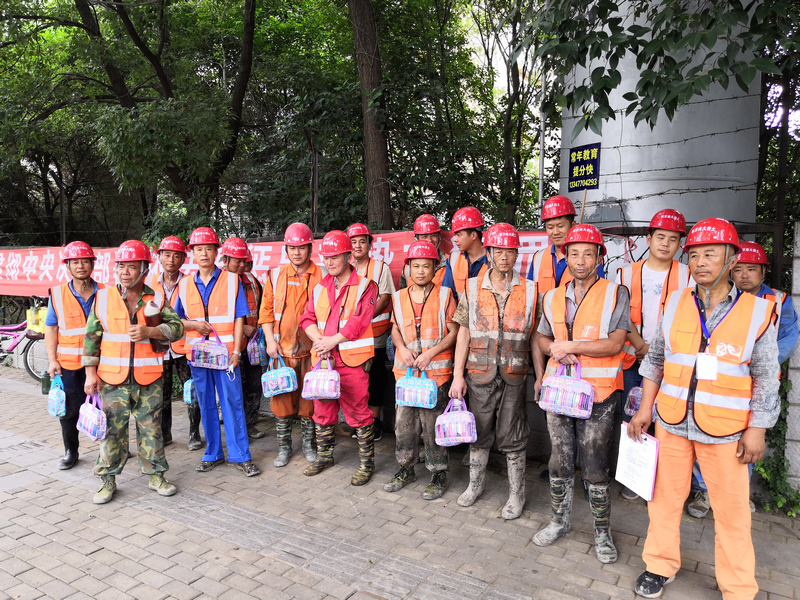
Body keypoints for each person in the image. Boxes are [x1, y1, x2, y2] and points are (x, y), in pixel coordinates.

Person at [628, 218, 779, 600]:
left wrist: (757, 429)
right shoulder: (676, 302)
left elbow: (766, 378)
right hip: (672, 422)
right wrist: (645, 409)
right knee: (663, 502)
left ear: (731, 259)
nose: (700, 263)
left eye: (710, 254)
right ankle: (659, 565)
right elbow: (655, 361)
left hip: (726, 431)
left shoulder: (757, 313)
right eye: (694, 255)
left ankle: (738, 588)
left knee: (732, 513)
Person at [534, 223, 629, 564]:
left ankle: (602, 532)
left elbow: (616, 343)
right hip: (560, 392)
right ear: (566, 256)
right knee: (559, 459)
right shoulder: (552, 296)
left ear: (599, 257)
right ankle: (559, 522)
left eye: (588, 253)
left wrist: (570, 346)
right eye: (574, 253)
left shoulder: (616, 293)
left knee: (595, 465)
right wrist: (554, 350)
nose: (580, 260)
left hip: (599, 394)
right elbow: (542, 337)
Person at [686, 239, 798, 519]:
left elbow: (788, 339)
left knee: (746, 440)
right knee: (703, 431)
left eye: (752, 269)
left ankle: (738, 493)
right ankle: (703, 490)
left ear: (764, 271)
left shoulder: (778, 301)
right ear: (730, 268)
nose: (744, 275)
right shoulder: (715, 297)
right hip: (713, 382)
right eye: (739, 269)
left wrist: (754, 363)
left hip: (755, 384)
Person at [83, 240, 184, 504]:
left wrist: (151, 331)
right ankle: (107, 480)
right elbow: (91, 339)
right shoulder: (103, 298)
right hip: (111, 379)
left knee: (151, 428)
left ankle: (156, 476)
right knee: (112, 430)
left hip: (149, 378)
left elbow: (177, 328)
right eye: (121, 266)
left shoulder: (157, 298)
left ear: (144, 270)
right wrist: (90, 375)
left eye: (131, 266)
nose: (125, 272)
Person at [449, 223, 538, 520]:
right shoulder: (472, 287)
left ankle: (516, 493)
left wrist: (541, 376)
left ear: (517, 254)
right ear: (488, 253)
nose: (504, 256)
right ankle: (475, 486)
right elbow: (463, 332)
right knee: (479, 431)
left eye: (510, 251)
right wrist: (457, 375)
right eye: (498, 251)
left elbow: (535, 336)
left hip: (514, 373)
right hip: (479, 372)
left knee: (514, 434)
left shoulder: (530, 290)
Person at [615, 209, 690, 500]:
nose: (665, 244)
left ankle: (663, 480)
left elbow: (688, 318)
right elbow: (621, 314)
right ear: (649, 239)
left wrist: (655, 352)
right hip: (633, 358)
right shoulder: (626, 272)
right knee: (634, 413)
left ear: (680, 244)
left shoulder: (687, 275)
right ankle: (636, 478)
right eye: (660, 237)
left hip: (671, 361)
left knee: (669, 418)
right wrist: (642, 347)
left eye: (673, 239)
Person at [174, 227, 261, 477]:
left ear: (216, 252)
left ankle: (241, 455)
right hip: (199, 356)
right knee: (206, 404)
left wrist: (237, 352)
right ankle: (212, 453)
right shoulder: (184, 284)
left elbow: (239, 318)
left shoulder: (232, 281)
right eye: (199, 249)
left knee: (233, 403)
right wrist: (193, 325)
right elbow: (176, 320)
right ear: (192, 253)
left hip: (226, 355)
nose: (204, 253)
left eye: (209, 249)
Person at [299, 230, 378, 485]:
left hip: (352, 361)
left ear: (348, 257)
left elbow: (359, 322)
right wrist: (318, 340)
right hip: (323, 361)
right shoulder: (320, 287)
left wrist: (330, 341)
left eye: (335, 257)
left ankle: (366, 464)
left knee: (359, 413)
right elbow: (307, 318)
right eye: (326, 257)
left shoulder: (366, 286)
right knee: (322, 410)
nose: (329, 262)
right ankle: (324, 456)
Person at [384, 240, 458, 500]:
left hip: (435, 375)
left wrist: (430, 354)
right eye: (416, 266)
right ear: (408, 268)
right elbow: (395, 328)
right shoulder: (398, 297)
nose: (420, 271)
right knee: (404, 425)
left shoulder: (445, 295)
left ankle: (438, 473)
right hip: (406, 376)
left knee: (432, 426)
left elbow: (454, 332)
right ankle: (406, 469)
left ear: (435, 268)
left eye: (426, 266)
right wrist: (401, 348)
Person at [259, 223, 325, 467]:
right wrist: (269, 341)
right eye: (292, 248)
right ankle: (284, 448)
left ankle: (308, 445)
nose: (297, 252)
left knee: (309, 402)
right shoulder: (275, 275)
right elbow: (266, 312)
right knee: (281, 402)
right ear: (286, 249)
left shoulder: (322, 274)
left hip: (313, 352)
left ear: (310, 248)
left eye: (302, 247)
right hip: (281, 351)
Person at [44, 241, 105, 470]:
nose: (80, 266)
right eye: (75, 262)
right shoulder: (58, 294)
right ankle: (71, 451)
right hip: (69, 364)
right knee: (69, 411)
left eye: (85, 261)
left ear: (92, 264)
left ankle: (110, 451)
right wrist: (52, 360)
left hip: (102, 363)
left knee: (107, 408)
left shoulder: (107, 292)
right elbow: (51, 328)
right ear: (67, 265)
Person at [147, 236, 202, 450]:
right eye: (167, 255)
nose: (171, 259)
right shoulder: (150, 283)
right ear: (159, 257)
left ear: (183, 259)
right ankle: (165, 433)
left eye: (176, 255)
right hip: (159, 347)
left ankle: (194, 434)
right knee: (163, 393)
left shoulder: (190, 282)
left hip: (184, 347)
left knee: (191, 390)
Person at [347, 223, 396, 441]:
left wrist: (363, 319)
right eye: (353, 242)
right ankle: (360, 421)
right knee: (355, 379)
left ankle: (375, 422)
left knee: (375, 377)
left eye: (362, 241)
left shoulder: (380, 268)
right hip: (350, 336)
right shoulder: (345, 269)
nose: (358, 246)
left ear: (369, 244)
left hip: (375, 334)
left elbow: (385, 297)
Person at [220, 236, 266, 440]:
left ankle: (250, 424)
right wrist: (241, 328)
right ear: (225, 261)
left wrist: (258, 330)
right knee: (233, 388)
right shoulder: (218, 283)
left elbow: (264, 309)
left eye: (243, 260)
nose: (241, 265)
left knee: (254, 386)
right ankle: (235, 428)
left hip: (253, 346)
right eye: (236, 261)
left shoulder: (253, 282)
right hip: (229, 346)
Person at [441, 206, 489, 300]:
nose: (455, 239)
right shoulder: (453, 259)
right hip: (458, 310)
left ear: (473, 235)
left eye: (459, 235)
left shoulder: (494, 260)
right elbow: (447, 297)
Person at [399, 215, 448, 289]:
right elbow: (403, 292)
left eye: (434, 235)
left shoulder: (450, 262)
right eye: (424, 236)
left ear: (439, 237)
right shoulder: (408, 266)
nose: (430, 240)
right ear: (416, 239)